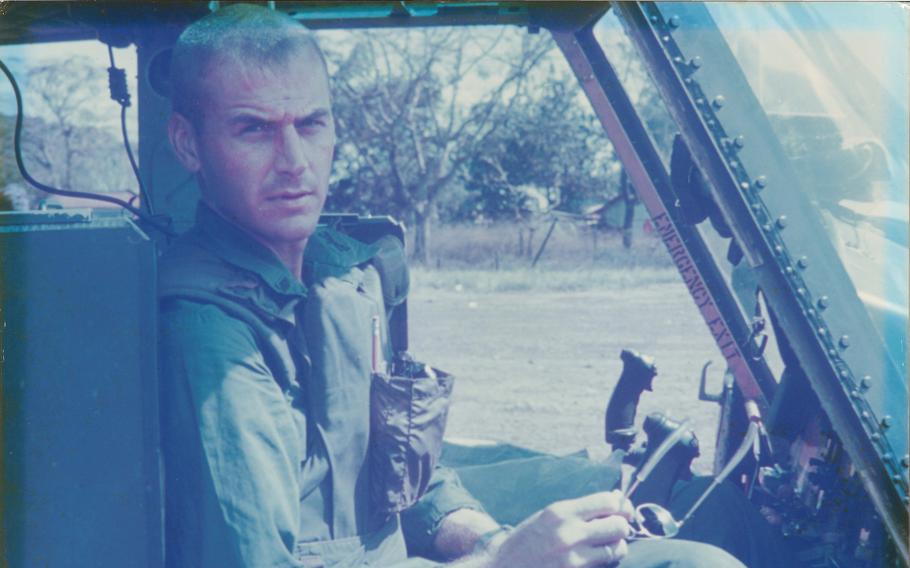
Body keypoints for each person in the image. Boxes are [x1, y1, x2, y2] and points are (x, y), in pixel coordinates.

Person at [157, 4, 766, 567]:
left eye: (311, 124)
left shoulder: (338, 277)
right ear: (189, 144)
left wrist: (490, 538)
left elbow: (400, 484)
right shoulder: (210, 329)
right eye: (254, 130)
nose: (293, 160)